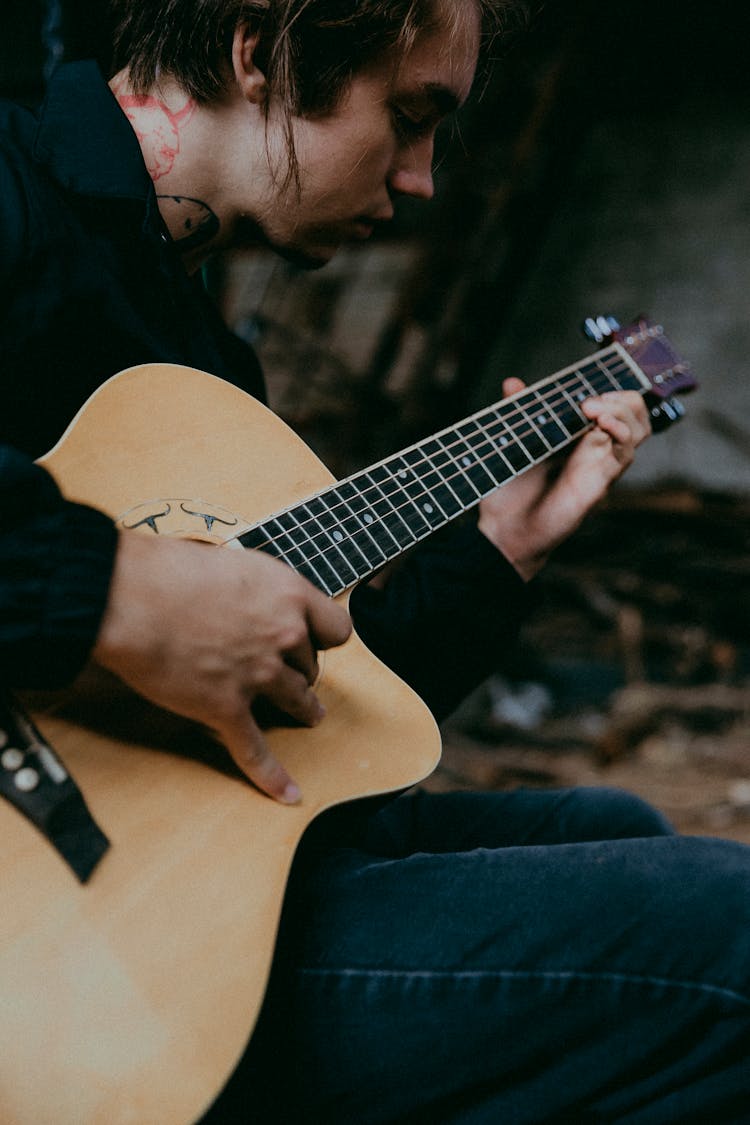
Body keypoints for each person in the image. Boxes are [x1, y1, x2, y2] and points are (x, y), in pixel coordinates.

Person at [0, 1, 747, 1122]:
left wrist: (503, 551)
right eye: (407, 116)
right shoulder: (11, 193)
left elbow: (321, 736)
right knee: (725, 944)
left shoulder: (205, 364)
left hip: (167, 878)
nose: (422, 180)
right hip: (45, 945)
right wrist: (109, 592)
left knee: (616, 834)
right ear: (259, 51)